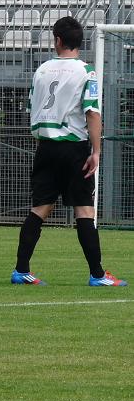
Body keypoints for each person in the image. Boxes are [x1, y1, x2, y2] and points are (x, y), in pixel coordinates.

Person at [12, 16, 127, 287]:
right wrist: (96, 151)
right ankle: (98, 275)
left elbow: (33, 110)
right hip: (73, 148)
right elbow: (92, 112)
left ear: (58, 40)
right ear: (79, 42)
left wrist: (42, 145)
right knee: (85, 211)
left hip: (45, 147)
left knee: (39, 208)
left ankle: (21, 270)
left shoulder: (41, 71)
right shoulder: (85, 71)